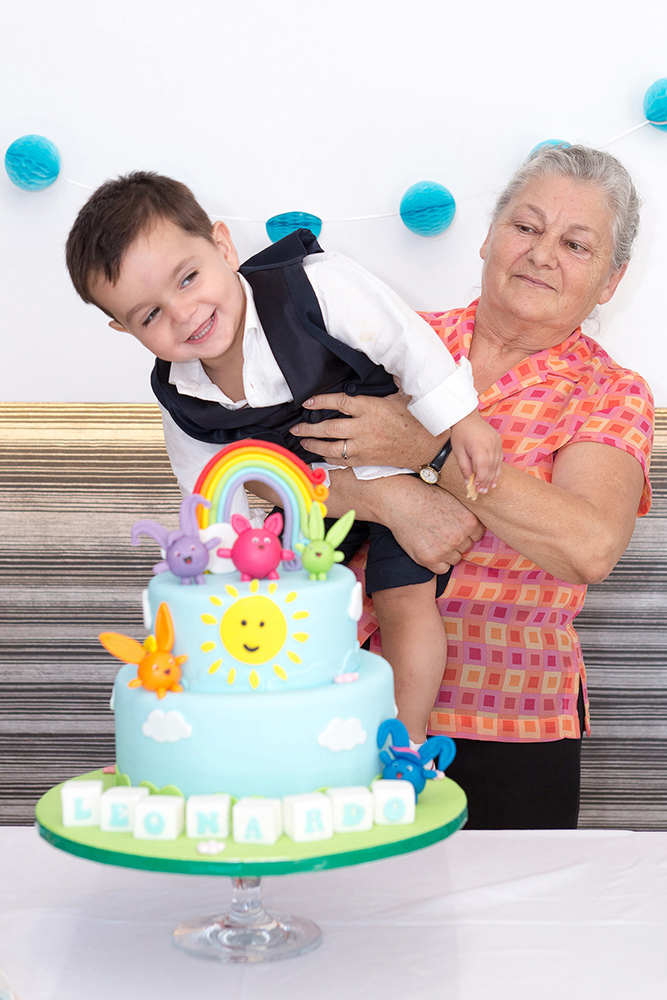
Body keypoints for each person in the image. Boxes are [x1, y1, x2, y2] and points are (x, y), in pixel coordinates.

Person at [65, 172, 502, 748]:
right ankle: (299, 734)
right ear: (123, 327)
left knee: (402, 599)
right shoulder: (180, 392)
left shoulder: (312, 288)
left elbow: (406, 341)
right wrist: (216, 556)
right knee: (289, 604)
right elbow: (204, 486)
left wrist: (460, 418)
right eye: (149, 315)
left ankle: (406, 739)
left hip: (394, 465)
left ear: (223, 246)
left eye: (189, 278)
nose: (184, 313)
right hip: (310, 502)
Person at [288, 144, 655, 829]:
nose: (543, 253)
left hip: (511, 728)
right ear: (488, 237)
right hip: (344, 703)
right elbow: (270, 482)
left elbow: (589, 546)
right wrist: (386, 497)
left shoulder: (610, 393)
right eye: (526, 226)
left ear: (610, 280)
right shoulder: (394, 345)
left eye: (575, 244)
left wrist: (427, 448)